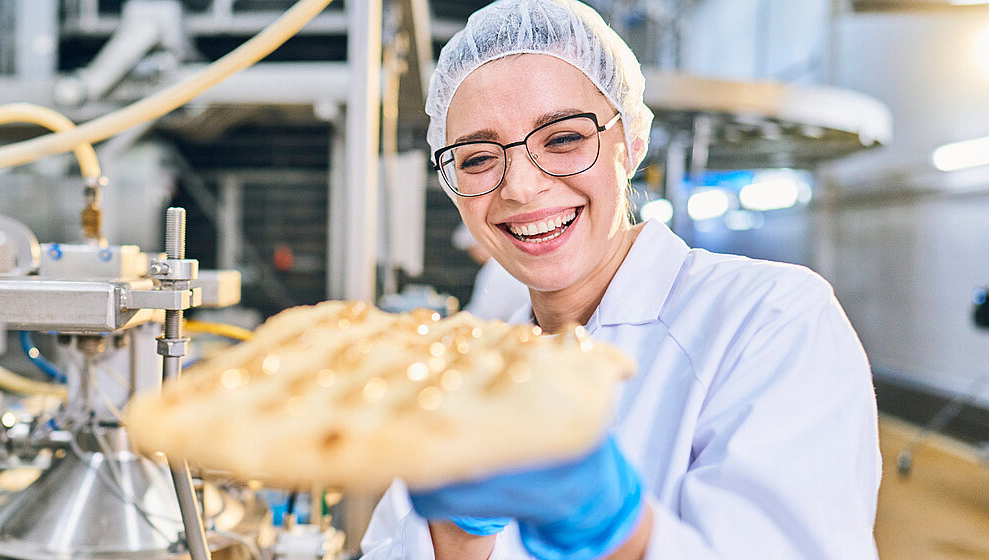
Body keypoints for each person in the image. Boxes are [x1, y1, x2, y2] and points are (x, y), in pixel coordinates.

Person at [358, 0, 881, 558]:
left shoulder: (772, 319)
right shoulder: (464, 380)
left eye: (562, 139)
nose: (521, 188)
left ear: (630, 142)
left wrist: (622, 532)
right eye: (478, 157)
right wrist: (457, 532)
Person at [453, 223, 530, 322]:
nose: (473, 255)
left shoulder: (496, 269)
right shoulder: (511, 264)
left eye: (473, 250)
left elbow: (483, 314)